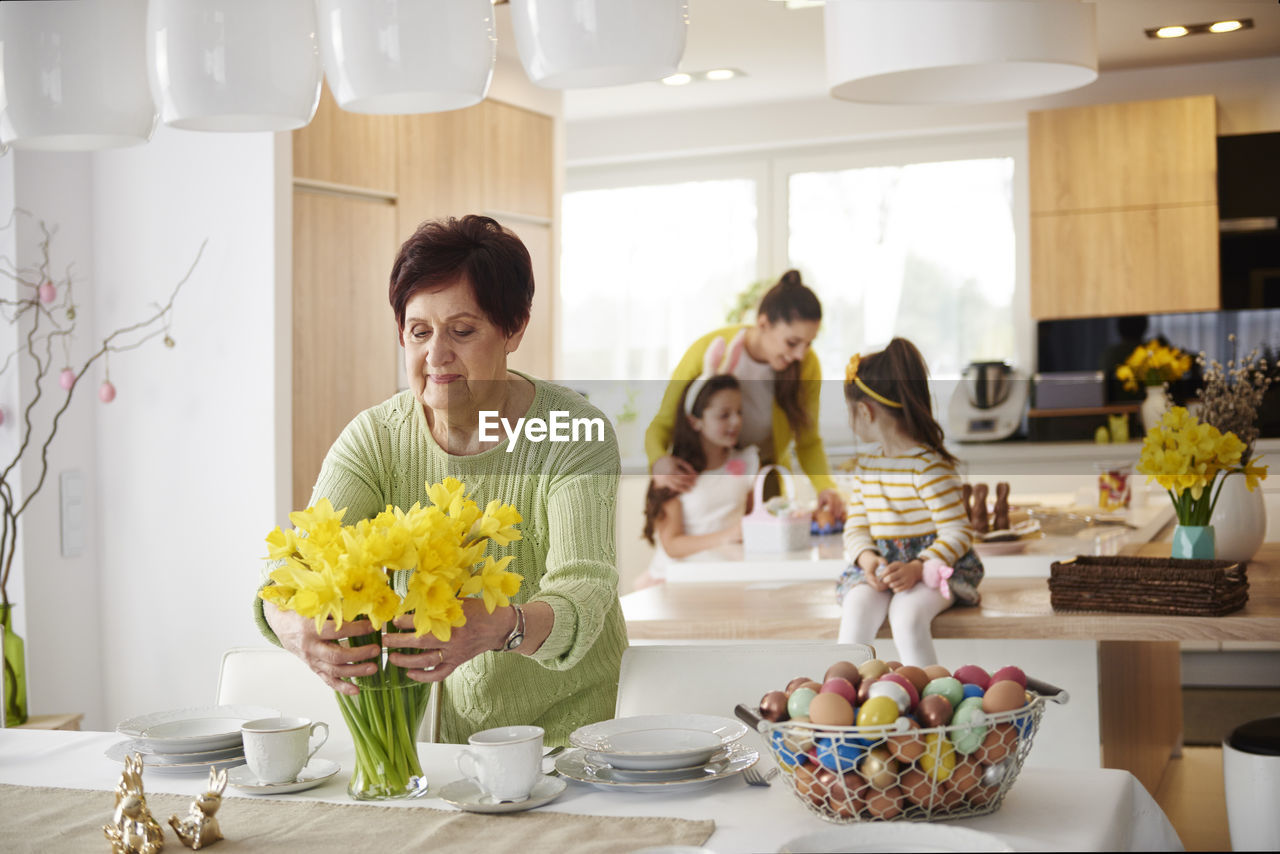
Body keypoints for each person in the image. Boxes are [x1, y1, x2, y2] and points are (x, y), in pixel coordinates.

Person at [255, 215, 626, 745]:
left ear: (514, 328)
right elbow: (290, 568)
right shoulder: (376, 438)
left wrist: (500, 624)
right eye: (419, 331)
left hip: (578, 738)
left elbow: (585, 589)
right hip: (450, 746)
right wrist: (293, 627)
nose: (436, 356)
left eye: (463, 330)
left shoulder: (571, 433)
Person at [645, 270, 842, 520]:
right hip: (704, 483)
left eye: (809, 344)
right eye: (792, 343)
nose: (801, 355)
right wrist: (659, 461)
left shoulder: (806, 366)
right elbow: (662, 424)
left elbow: (808, 440)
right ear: (763, 323)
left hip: (761, 484)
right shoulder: (707, 350)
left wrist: (825, 487)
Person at [835, 338, 983, 666]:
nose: (850, 421)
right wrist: (868, 558)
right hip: (884, 568)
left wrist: (918, 567)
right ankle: (841, 696)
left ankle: (932, 704)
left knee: (907, 616)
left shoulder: (927, 466)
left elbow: (958, 533)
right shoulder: (867, 466)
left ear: (864, 411)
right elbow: (856, 526)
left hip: (932, 569)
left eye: (850, 413)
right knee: (856, 607)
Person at [638, 337, 761, 586]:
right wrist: (728, 536)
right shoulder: (672, 473)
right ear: (695, 421)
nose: (735, 422)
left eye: (739, 413)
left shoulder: (748, 462)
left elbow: (751, 519)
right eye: (724, 415)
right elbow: (672, 544)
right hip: (677, 578)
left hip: (727, 573)